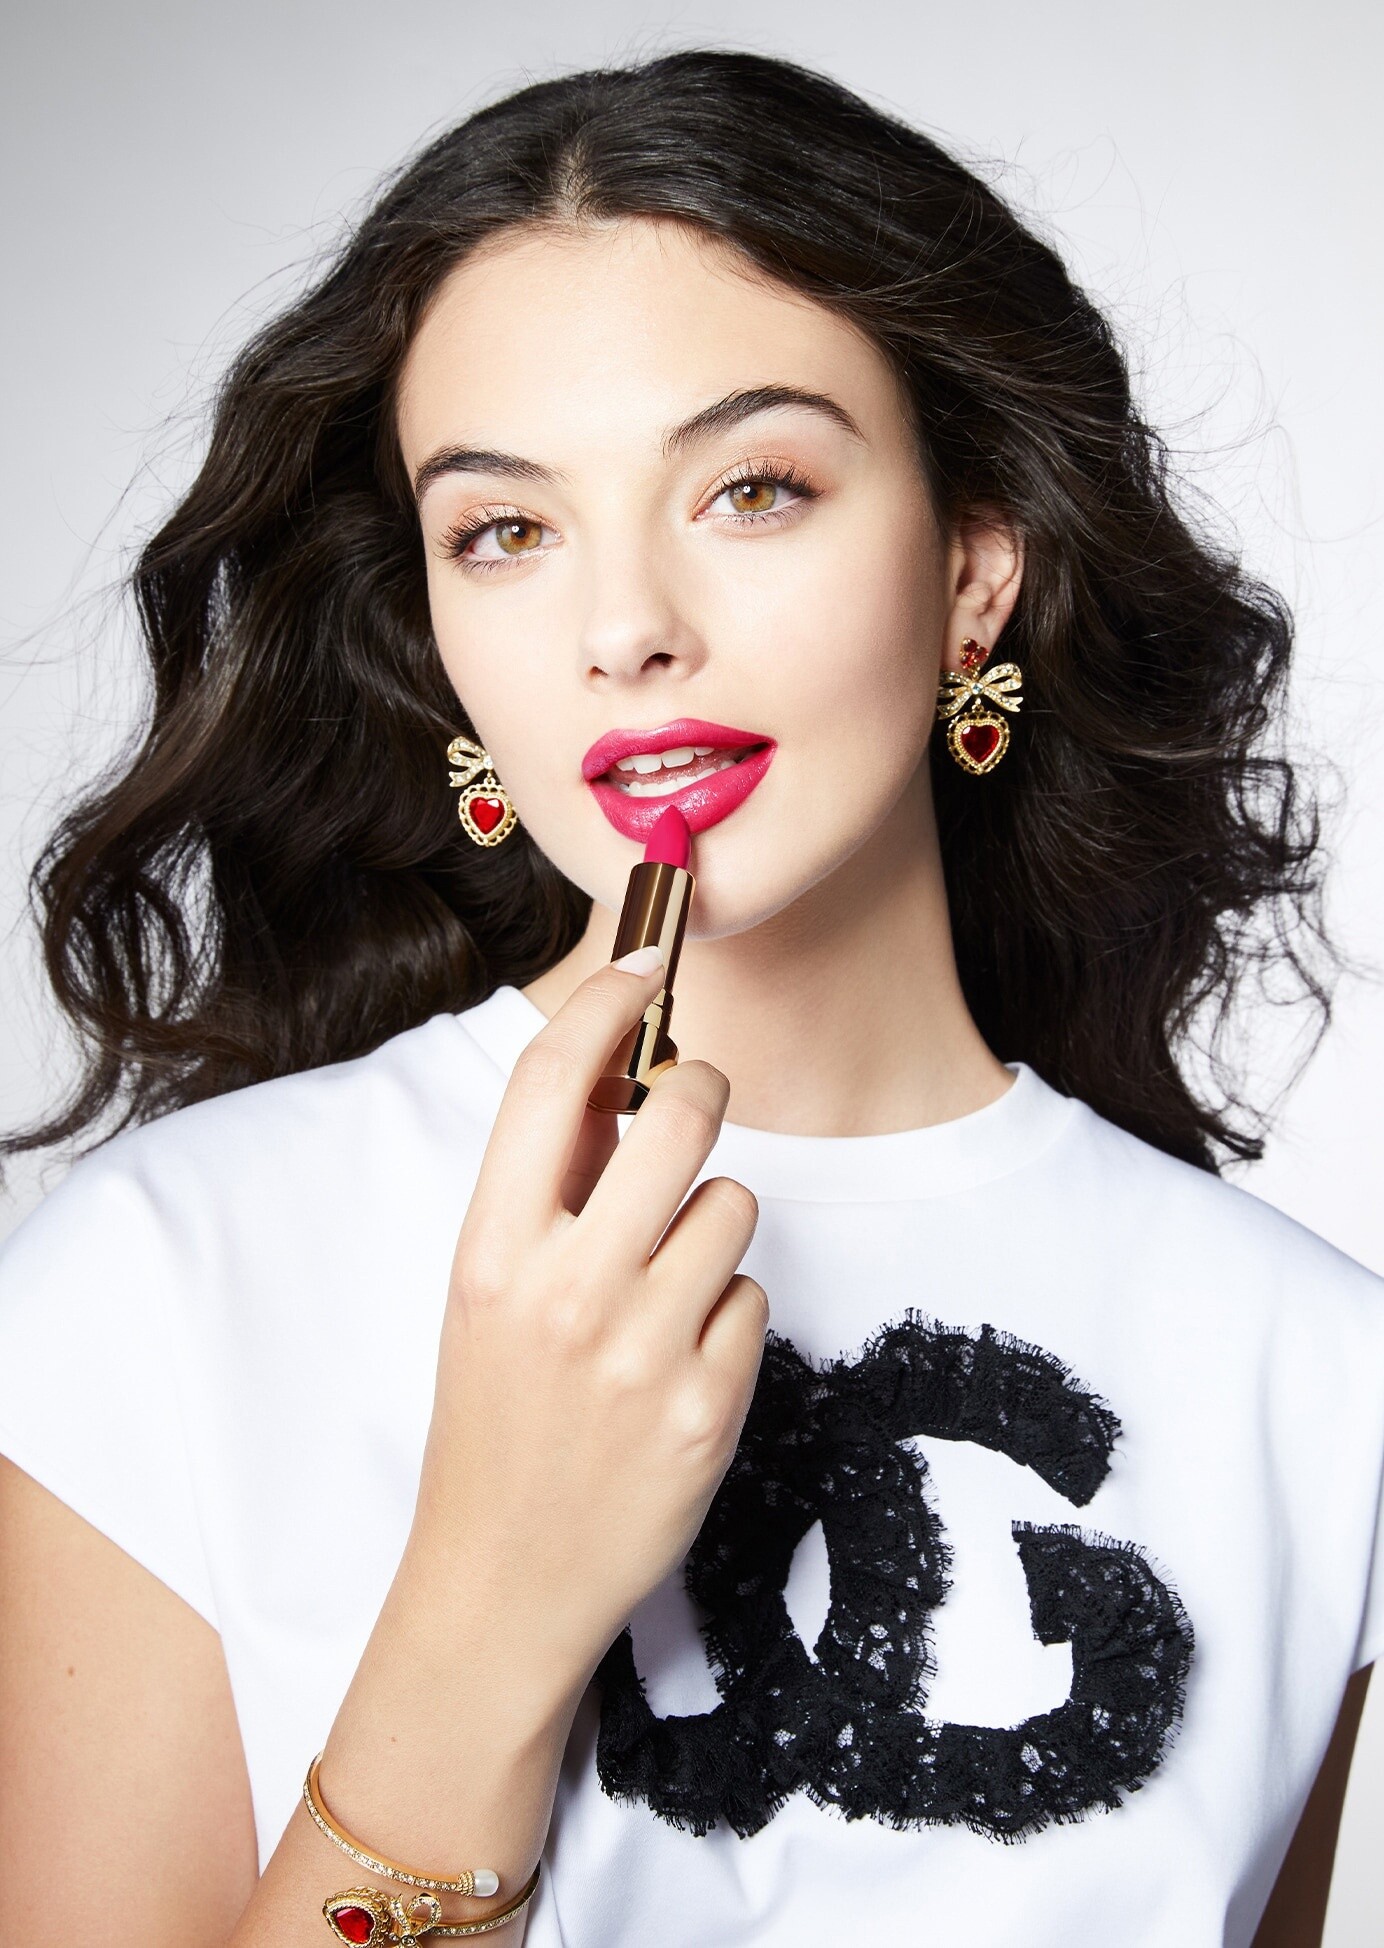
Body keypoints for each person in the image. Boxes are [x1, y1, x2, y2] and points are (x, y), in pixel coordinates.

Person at [0, 47, 1378, 1948]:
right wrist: (490, 1602)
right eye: (505, 529)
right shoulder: (165, 1283)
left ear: (974, 571)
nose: (626, 627)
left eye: (752, 488)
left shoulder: (1311, 1378)